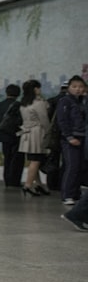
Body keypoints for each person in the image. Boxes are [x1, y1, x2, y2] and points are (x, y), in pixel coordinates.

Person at [55, 75, 85, 206]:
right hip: (70, 138)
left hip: (83, 137)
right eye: (74, 87)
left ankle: (76, 193)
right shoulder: (65, 101)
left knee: (80, 167)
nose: (78, 89)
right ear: (68, 88)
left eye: (81, 87)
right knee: (72, 166)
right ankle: (67, 194)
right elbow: (62, 121)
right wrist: (69, 137)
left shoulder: (82, 101)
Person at [19, 79, 51, 196]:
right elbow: (44, 120)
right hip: (37, 133)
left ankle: (38, 184)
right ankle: (28, 184)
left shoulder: (24, 103)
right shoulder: (39, 103)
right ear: (35, 89)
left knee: (34, 160)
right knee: (36, 160)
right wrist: (49, 133)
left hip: (27, 133)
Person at [0, 84, 24, 188]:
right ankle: (15, 181)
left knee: (7, 159)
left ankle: (7, 179)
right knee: (17, 159)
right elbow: (21, 121)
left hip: (4, 135)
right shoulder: (19, 105)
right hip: (16, 136)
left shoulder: (0, 105)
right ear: (18, 94)